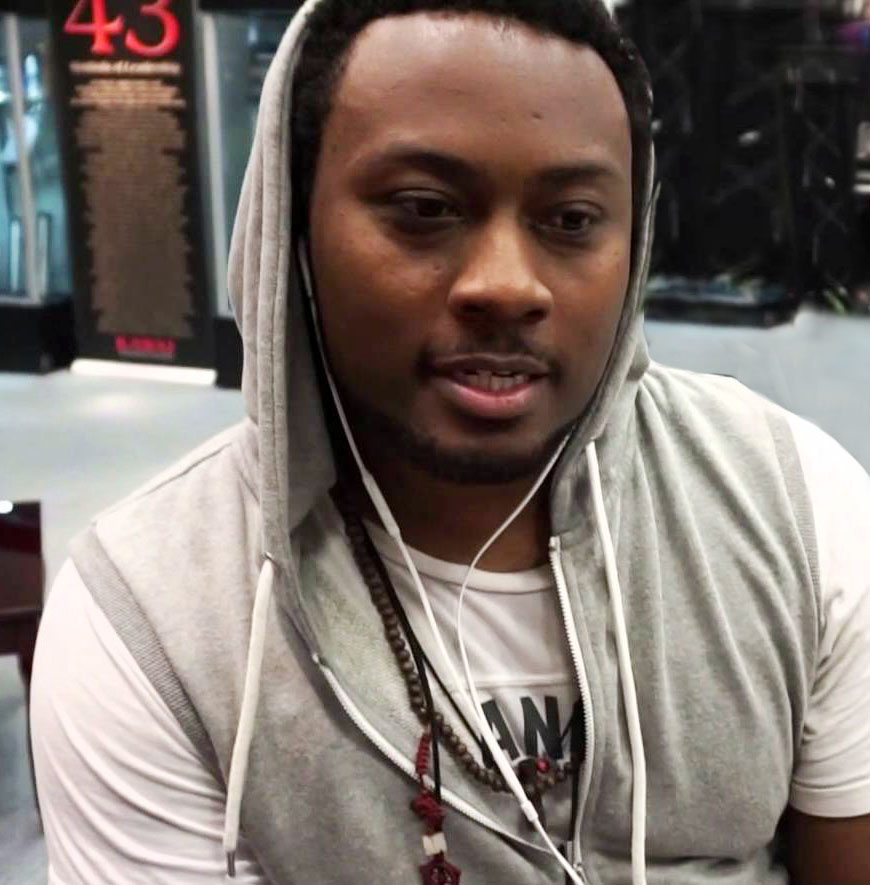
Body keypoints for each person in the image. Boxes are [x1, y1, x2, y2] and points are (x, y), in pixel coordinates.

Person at [30, 0, 870, 882]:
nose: (506, 287)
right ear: (294, 227)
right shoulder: (155, 617)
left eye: (572, 220)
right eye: (424, 208)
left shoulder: (797, 509)